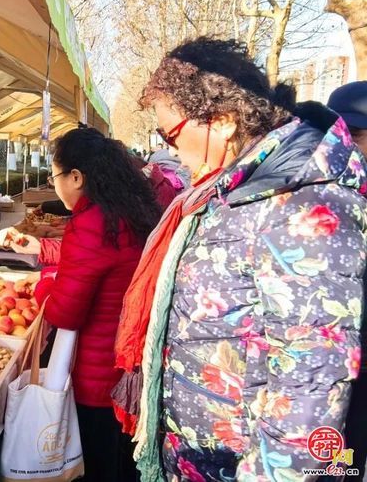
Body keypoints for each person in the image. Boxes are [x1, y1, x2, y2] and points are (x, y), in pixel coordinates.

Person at [113, 38, 367, 481]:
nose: (170, 150)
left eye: (170, 134)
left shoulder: (304, 206)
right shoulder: (235, 188)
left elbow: (310, 385)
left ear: (225, 121)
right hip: (203, 457)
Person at [9, 126, 162, 482]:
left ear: (76, 177)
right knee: (121, 460)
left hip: (98, 373)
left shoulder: (91, 222)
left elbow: (66, 312)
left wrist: (45, 285)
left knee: (98, 462)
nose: (55, 183)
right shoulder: (125, 212)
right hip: (127, 367)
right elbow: (97, 264)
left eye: (55, 175)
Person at [329, 81, 367, 481]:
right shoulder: (329, 191)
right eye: (339, 133)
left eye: (355, 135)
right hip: (335, 362)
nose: (346, 144)